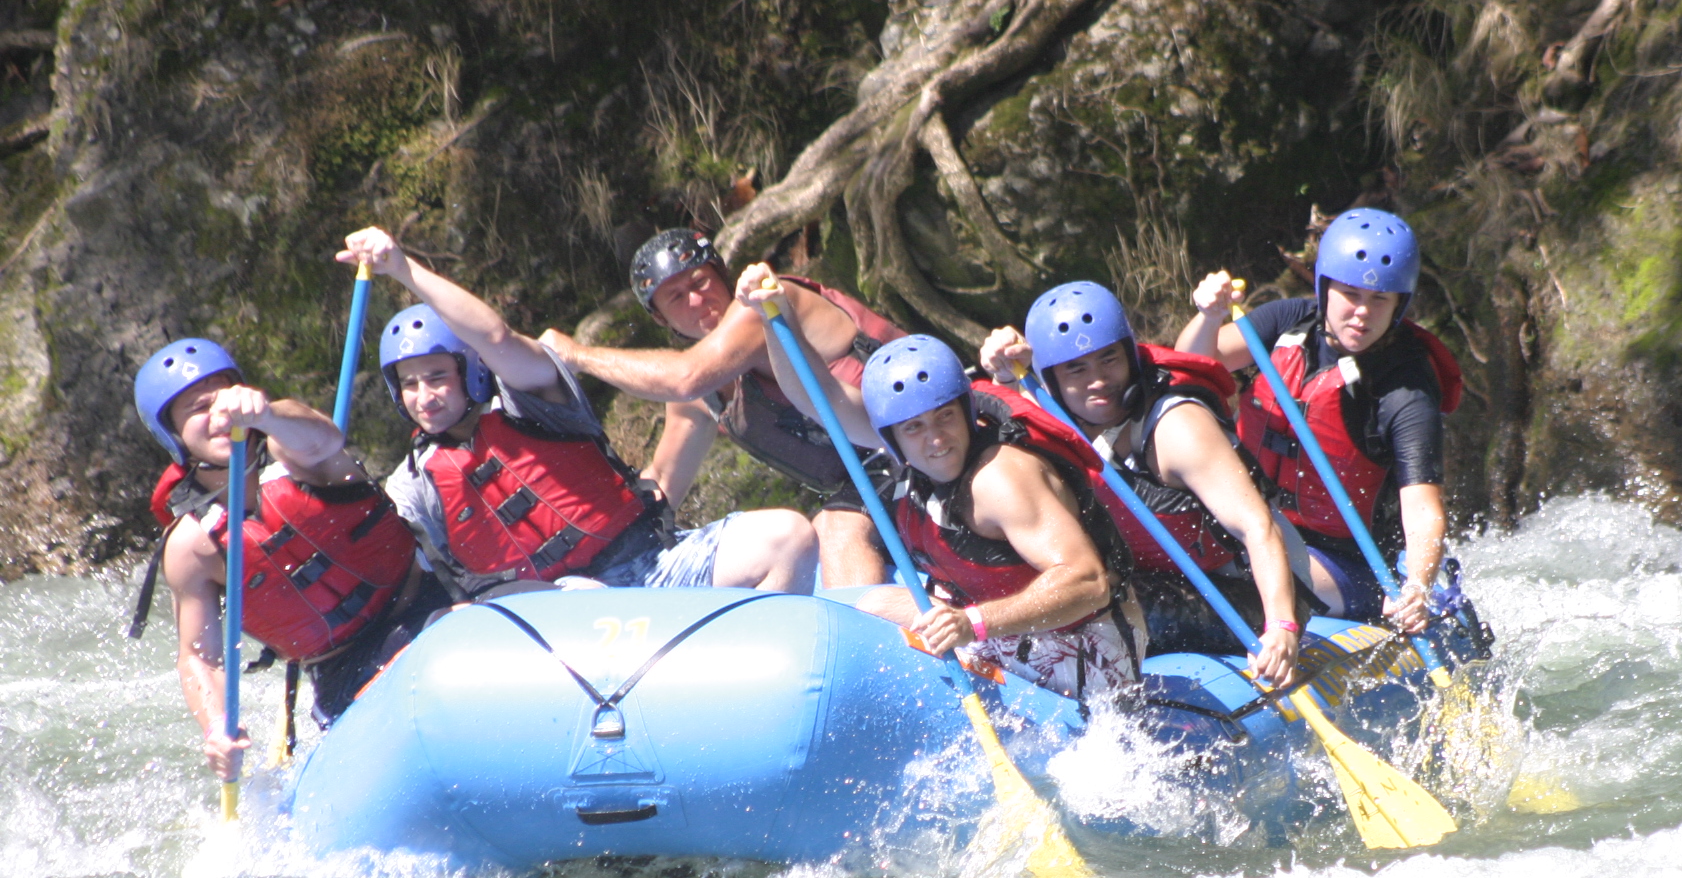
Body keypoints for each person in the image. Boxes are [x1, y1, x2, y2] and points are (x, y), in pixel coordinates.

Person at [735, 266, 1143, 703]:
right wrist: (773, 315)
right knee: (863, 611)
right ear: (890, 436)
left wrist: (972, 624)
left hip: (1091, 645)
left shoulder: (1000, 479)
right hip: (1007, 628)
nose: (935, 440)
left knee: (900, 628)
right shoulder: (907, 447)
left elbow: (1087, 582)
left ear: (966, 411)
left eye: (945, 417)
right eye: (915, 428)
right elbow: (820, 396)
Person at [337, 227, 817, 598]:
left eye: (438, 377)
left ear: (471, 373)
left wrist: (403, 270)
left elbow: (496, 338)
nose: (426, 397)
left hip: (650, 566)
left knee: (789, 536)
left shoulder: (535, 403)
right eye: (411, 385)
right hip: (550, 615)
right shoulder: (412, 485)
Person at [131, 339, 448, 780]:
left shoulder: (295, 454)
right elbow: (199, 658)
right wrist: (217, 727)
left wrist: (266, 413)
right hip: (343, 671)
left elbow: (325, 437)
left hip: (431, 609)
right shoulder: (190, 547)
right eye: (197, 410)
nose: (218, 415)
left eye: (223, 397)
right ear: (173, 434)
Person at [981, 281, 1309, 687]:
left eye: (1108, 360)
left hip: (1255, 599)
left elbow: (1257, 527)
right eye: (1076, 369)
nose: (1098, 380)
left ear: (1130, 357)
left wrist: (1281, 627)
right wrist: (1002, 370)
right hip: (1167, 584)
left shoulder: (1176, 428)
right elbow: (1000, 410)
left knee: (1092, 598)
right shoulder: (1054, 414)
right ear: (1050, 380)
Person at [537, 228, 904, 588]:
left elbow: (686, 376)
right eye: (677, 297)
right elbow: (662, 485)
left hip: (914, 436)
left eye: (700, 283)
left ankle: (872, 639)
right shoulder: (699, 396)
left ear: (723, 276)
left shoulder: (765, 306)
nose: (696, 301)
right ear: (661, 318)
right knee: (806, 539)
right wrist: (581, 540)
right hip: (869, 482)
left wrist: (577, 355)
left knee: (835, 528)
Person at [1175, 208, 1464, 634]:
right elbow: (1194, 363)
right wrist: (1209, 315)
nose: (1362, 312)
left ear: (1399, 304)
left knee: (1258, 577)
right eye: (1351, 294)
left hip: (1348, 564)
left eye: (1379, 299)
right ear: (1324, 287)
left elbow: (1423, 510)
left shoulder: (1405, 390)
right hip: (1255, 527)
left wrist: (1417, 587)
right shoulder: (1290, 320)